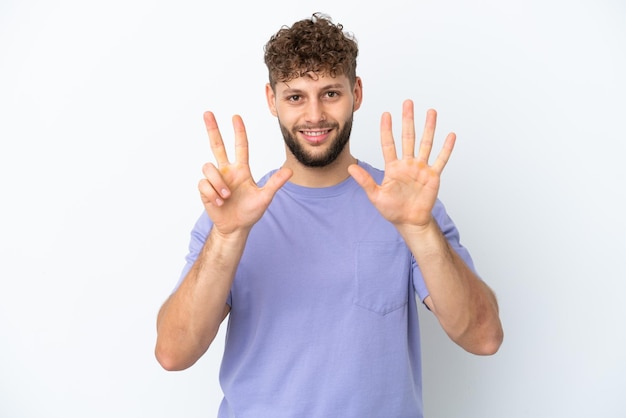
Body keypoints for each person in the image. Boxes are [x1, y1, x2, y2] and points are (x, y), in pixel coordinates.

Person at [155, 12, 503, 418]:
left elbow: (484, 337)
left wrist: (420, 230)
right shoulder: (233, 215)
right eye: (295, 96)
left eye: (331, 93)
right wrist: (228, 238)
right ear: (272, 101)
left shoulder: (406, 206)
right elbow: (172, 353)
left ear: (356, 92)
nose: (315, 115)